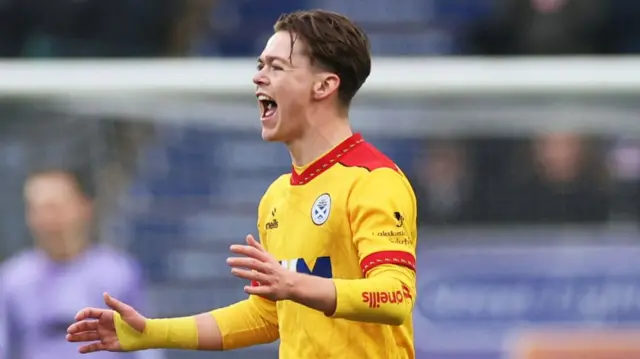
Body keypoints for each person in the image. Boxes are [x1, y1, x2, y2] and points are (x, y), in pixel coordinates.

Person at [67, 10, 418, 359]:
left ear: (324, 85)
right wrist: (152, 332)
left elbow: (396, 296)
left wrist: (292, 283)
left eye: (276, 67)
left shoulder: (373, 181)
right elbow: (265, 316)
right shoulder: (277, 197)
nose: (258, 77)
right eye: (260, 65)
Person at [0, 168, 159, 359]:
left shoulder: (118, 272)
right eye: (38, 210)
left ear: (83, 207)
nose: (48, 220)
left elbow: (146, 346)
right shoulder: (13, 279)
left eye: (55, 208)